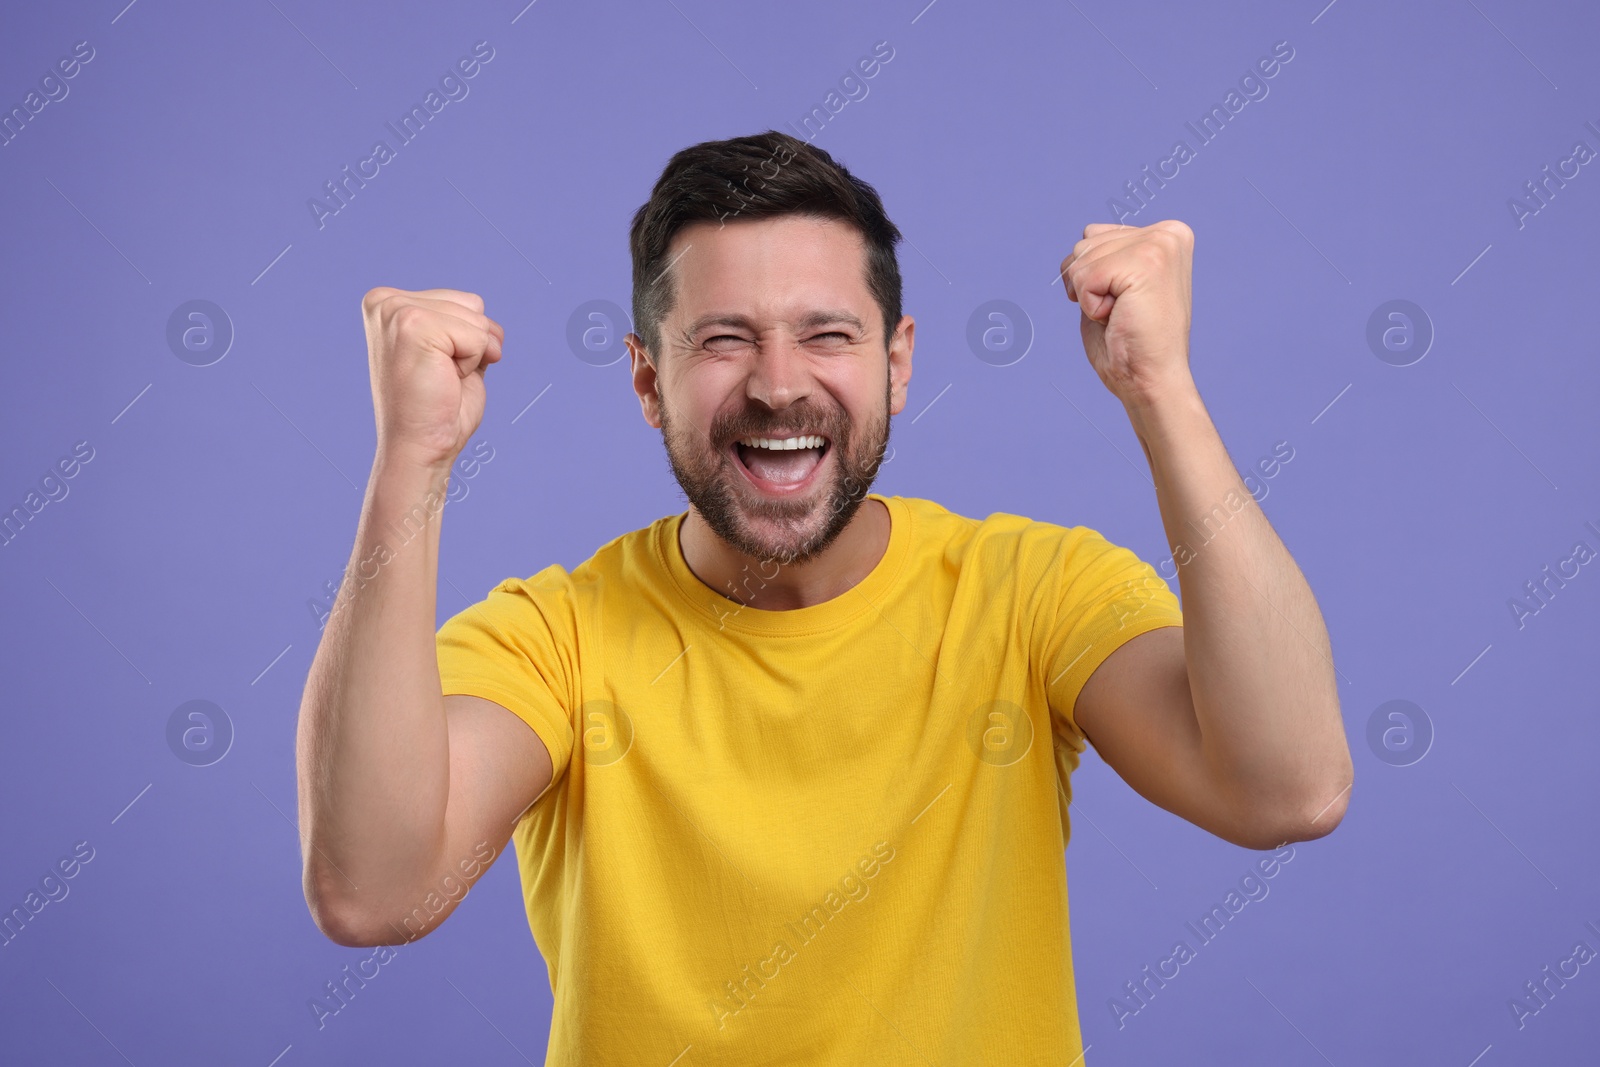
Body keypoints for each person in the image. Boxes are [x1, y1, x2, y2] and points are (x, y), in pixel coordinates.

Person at [294, 129, 1352, 1064]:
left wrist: (1160, 388)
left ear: (898, 364)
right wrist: (412, 459)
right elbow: (372, 889)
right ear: (646, 380)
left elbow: (1286, 788)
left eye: (827, 333)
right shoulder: (556, 636)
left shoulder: (1030, 592)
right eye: (722, 338)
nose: (778, 383)